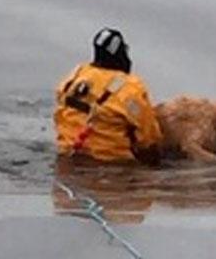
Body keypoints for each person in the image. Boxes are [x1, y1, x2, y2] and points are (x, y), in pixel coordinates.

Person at [53, 28, 162, 165]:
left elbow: (60, 108)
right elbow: (148, 137)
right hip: (112, 164)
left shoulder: (77, 75)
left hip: (67, 157)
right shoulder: (130, 89)